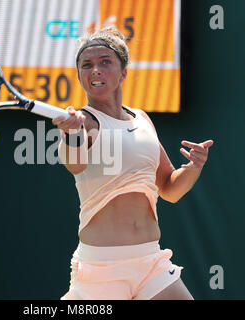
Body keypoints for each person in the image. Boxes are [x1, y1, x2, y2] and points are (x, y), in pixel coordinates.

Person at [52, 26, 213, 300]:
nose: (95, 71)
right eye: (86, 65)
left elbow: (169, 188)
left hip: (151, 261)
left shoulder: (141, 119)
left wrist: (193, 168)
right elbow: (74, 164)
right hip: (101, 269)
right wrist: (72, 134)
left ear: (123, 72)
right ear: (80, 75)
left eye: (105, 62)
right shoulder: (82, 122)